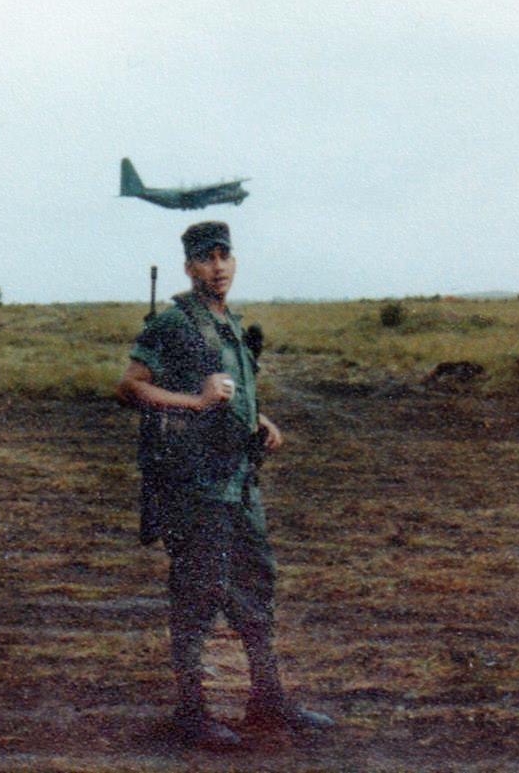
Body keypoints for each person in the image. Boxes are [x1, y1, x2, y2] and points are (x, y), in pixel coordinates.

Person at [116, 220, 335, 750]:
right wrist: (194, 401)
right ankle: (191, 714)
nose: (218, 268)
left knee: (255, 584)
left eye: (224, 257)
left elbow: (232, 392)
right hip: (195, 483)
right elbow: (130, 387)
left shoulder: (229, 323)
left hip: (238, 480)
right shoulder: (174, 323)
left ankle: (268, 700)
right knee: (199, 592)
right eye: (206, 259)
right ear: (189, 267)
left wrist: (256, 418)